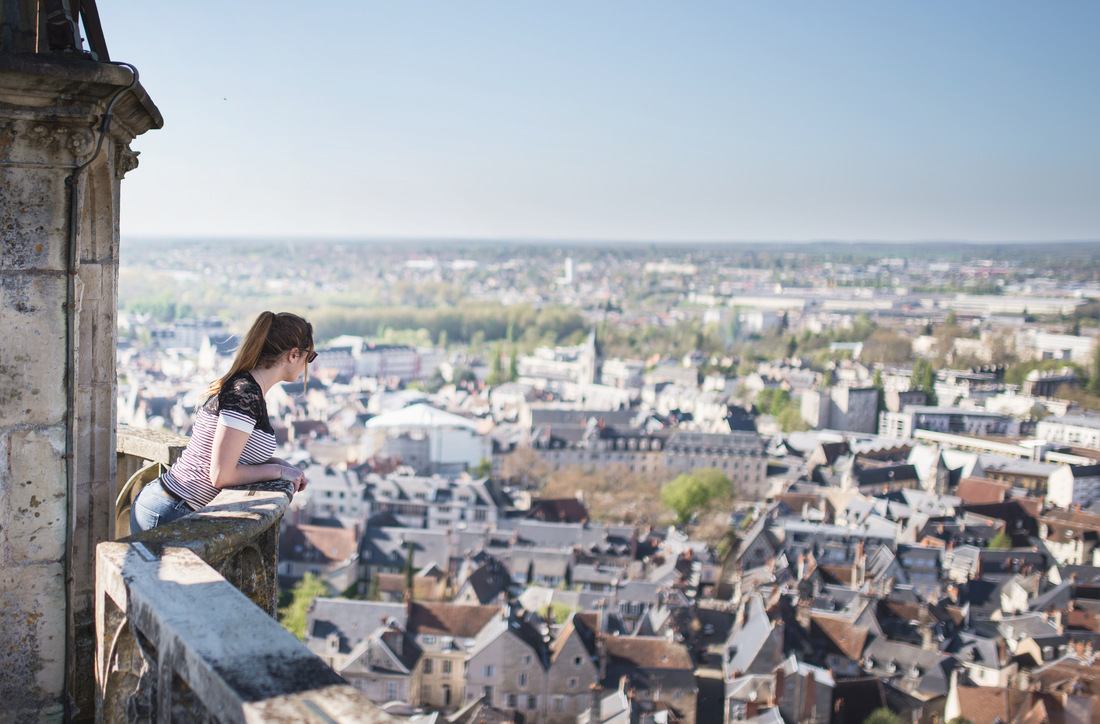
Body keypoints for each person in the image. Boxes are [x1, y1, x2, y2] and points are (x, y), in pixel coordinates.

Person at [130, 311, 315, 532]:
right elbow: (221, 475)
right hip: (173, 508)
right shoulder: (243, 394)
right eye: (310, 357)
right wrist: (280, 472)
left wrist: (283, 465)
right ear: (294, 355)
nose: (308, 365)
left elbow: (240, 453)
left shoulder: (247, 389)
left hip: (176, 506)